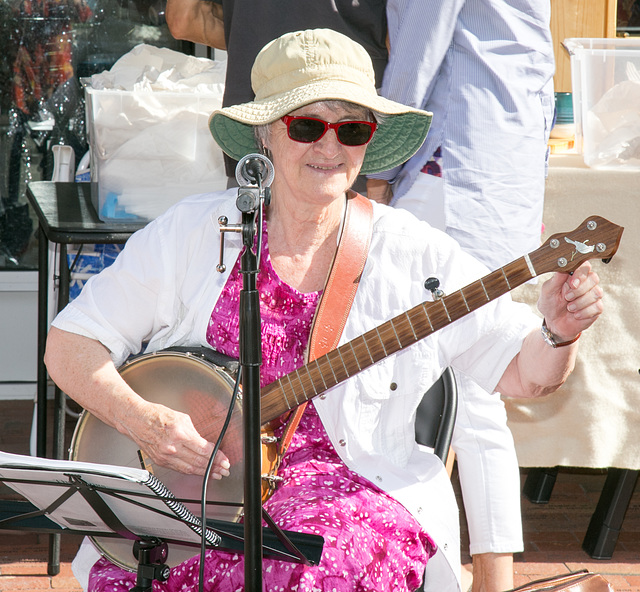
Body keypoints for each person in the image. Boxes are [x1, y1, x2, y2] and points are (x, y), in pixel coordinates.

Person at [44, 29, 604, 592]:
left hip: (354, 490)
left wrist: (559, 331)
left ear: (369, 141)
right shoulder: (192, 232)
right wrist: (142, 420)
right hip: (202, 492)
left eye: (352, 129)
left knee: (307, 567)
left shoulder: (414, 253)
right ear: (265, 132)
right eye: (306, 125)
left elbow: (523, 373)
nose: (330, 147)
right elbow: (70, 347)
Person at [366, 2, 556, 590]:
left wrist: (377, 162)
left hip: (451, 176)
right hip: (495, 179)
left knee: (464, 387)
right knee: (469, 384)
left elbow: (419, 52)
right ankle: (474, 565)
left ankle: (490, 574)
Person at [165, 0, 388, 179]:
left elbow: (184, 20)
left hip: (258, 113)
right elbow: (407, 34)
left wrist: (269, 48)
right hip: (351, 126)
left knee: (258, 227)